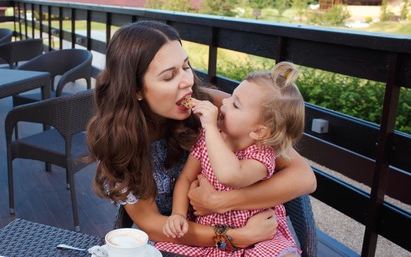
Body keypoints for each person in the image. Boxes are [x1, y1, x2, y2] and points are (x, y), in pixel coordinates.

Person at [86, 20, 316, 249]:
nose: (187, 81)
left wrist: (222, 201)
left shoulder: (215, 107)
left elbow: (304, 177)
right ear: (135, 89)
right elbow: (153, 224)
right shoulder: (118, 139)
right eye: (169, 76)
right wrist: (235, 237)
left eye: (186, 67)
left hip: (244, 223)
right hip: (182, 236)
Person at [156, 62, 304, 256]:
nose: (224, 102)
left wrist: (209, 128)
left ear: (258, 131)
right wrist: (178, 214)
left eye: (235, 104)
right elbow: (186, 178)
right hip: (213, 235)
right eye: (231, 96)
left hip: (258, 235)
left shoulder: (261, 156)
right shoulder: (207, 138)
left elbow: (230, 175)